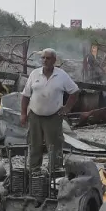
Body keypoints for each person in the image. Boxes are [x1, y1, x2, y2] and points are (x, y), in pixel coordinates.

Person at [19, 48, 79, 177]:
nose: (45, 60)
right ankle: (34, 171)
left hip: (53, 117)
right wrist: (23, 114)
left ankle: (55, 171)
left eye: (48, 58)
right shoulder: (34, 74)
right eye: (43, 58)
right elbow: (25, 96)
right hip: (35, 116)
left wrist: (66, 108)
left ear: (54, 60)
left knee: (55, 145)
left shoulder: (61, 75)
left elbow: (74, 92)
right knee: (34, 144)